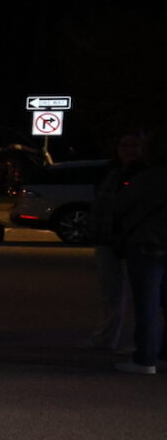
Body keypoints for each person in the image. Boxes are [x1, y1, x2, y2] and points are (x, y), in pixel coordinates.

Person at [107, 137, 167, 375]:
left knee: (147, 303)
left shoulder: (148, 178)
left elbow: (120, 206)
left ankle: (145, 358)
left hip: (148, 245)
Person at [88, 131, 148, 355]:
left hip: (134, 240)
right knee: (110, 292)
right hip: (107, 239)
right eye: (125, 144)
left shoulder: (145, 173)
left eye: (135, 145)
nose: (129, 150)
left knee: (139, 293)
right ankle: (106, 339)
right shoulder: (110, 171)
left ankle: (137, 342)